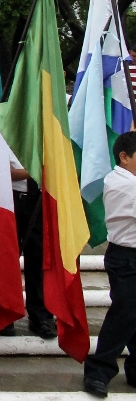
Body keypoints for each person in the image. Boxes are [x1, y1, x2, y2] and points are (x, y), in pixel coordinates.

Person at [83, 131, 136, 398]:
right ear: (124, 158)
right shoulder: (122, 183)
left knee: (133, 314)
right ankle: (98, 370)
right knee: (124, 314)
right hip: (126, 258)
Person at [7, 152, 56, 339]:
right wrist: (34, 172)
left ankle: (40, 316)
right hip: (10, 198)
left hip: (41, 197)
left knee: (38, 257)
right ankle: (6, 312)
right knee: (7, 257)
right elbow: (2, 171)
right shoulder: (6, 130)